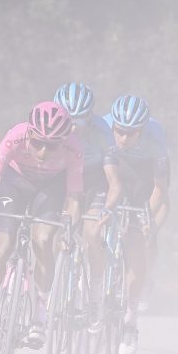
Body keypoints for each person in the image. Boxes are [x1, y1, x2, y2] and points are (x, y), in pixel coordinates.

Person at [0, 101, 83, 348]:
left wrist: (69, 228)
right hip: (16, 182)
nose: (43, 151)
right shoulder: (15, 136)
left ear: (64, 140)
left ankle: (40, 314)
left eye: (52, 145)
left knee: (44, 242)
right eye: (37, 143)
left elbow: (75, 196)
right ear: (29, 133)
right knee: (1, 249)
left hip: (50, 188)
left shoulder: (74, 148)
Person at [103, 95, 170, 354]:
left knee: (136, 247)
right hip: (111, 173)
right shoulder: (102, 130)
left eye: (131, 134)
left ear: (142, 130)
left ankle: (130, 322)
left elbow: (160, 189)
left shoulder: (156, 143)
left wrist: (146, 219)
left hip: (143, 179)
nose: (123, 138)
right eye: (119, 131)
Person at [53, 82, 122, 327]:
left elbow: (114, 181)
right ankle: (54, 289)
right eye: (67, 120)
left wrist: (108, 208)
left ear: (90, 119)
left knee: (93, 234)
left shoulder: (103, 132)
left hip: (94, 184)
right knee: (52, 230)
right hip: (61, 182)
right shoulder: (50, 126)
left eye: (79, 122)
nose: (72, 128)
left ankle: (95, 295)